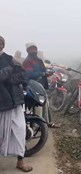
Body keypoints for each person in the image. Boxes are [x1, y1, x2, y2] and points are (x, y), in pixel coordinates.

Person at [0, 35, 33, 172]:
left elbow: (22, 75)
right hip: (1, 103)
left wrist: (8, 78)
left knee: (20, 130)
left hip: (15, 101)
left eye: (1, 42)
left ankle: (20, 162)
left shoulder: (9, 58)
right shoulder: (10, 63)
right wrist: (8, 72)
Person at [22, 43, 60, 128]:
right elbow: (29, 74)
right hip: (32, 85)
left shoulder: (38, 60)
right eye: (31, 49)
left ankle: (46, 123)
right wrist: (43, 73)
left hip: (41, 84)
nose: (33, 50)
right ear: (27, 50)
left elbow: (43, 70)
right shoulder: (27, 61)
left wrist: (47, 73)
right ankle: (37, 124)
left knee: (45, 103)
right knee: (37, 105)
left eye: (34, 49)